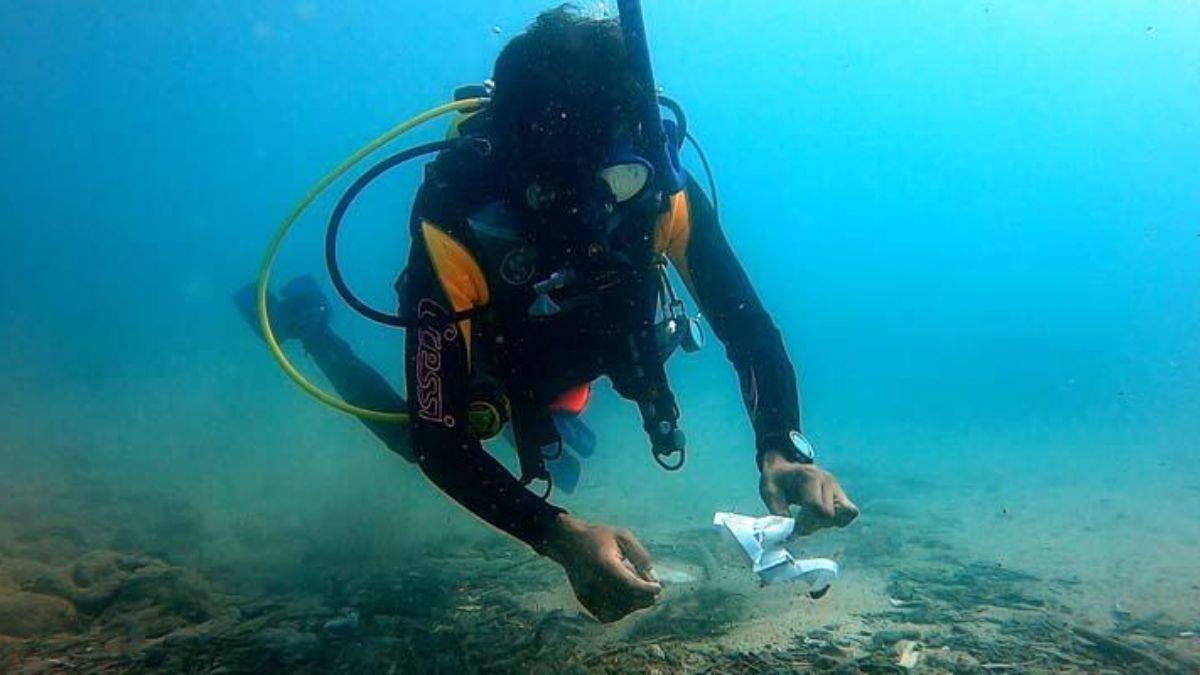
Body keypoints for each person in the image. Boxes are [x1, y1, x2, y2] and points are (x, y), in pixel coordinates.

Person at [395, 7, 858, 623]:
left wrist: (782, 447)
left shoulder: (657, 191)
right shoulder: (458, 215)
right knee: (427, 428)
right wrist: (558, 535)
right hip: (505, 367)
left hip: (616, 344)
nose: (598, 210)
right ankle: (314, 332)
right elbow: (439, 441)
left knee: (570, 406)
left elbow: (748, 329)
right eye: (571, 184)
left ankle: (564, 409)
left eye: (620, 175)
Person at [234, 277, 595, 492]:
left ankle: (311, 326)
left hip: (498, 321)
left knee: (434, 434)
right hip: (472, 310)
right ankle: (312, 328)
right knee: (422, 441)